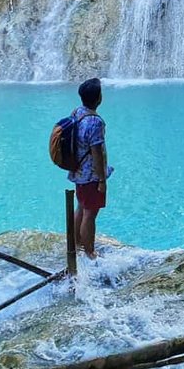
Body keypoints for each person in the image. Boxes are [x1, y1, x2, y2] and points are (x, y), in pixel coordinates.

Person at [68, 77, 112, 258]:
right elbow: (97, 152)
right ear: (99, 98)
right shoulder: (95, 122)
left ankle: (78, 243)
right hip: (91, 175)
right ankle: (89, 251)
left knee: (81, 207)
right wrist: (101, 180)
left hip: (78, 171)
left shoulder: (77, 113)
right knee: (90, 214)